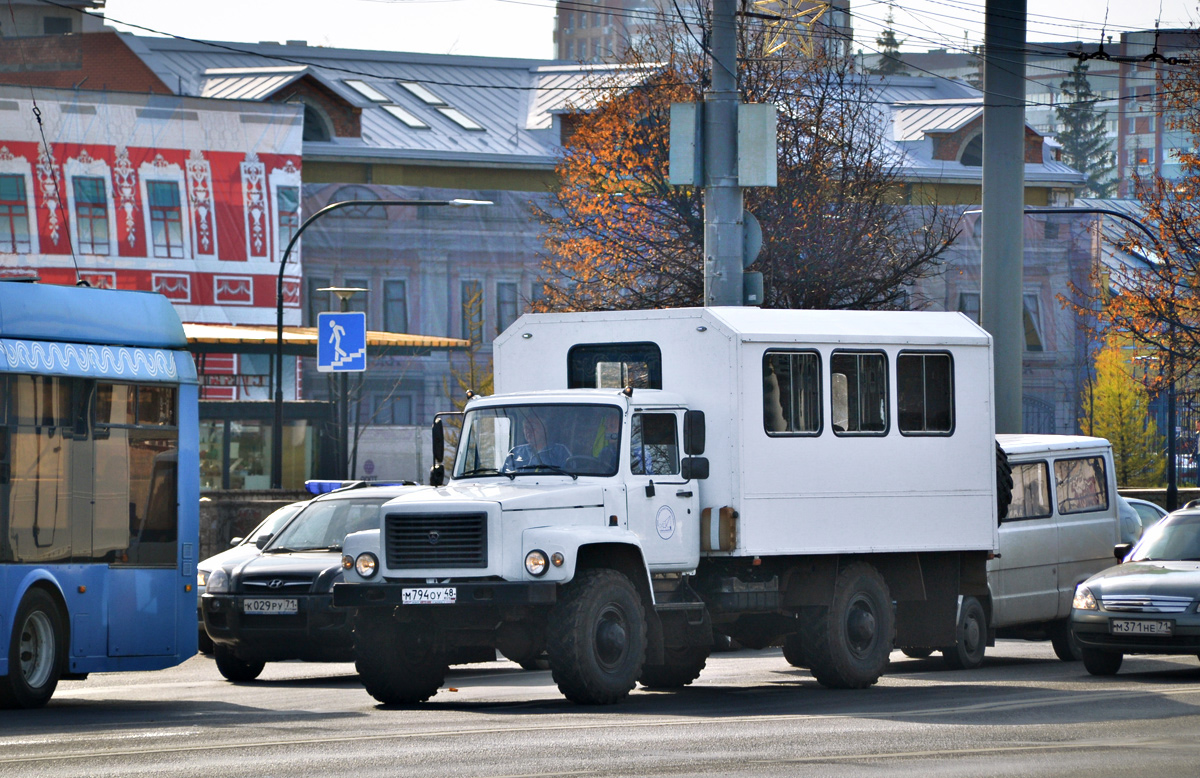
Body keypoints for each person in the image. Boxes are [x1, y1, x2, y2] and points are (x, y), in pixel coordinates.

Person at [504, 413, 571, 471]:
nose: (529, 431)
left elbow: (570, 475)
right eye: (526, 427)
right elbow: (505, 476)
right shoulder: (516, 452)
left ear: (545, 429)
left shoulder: (560, 451)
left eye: (533, 427)